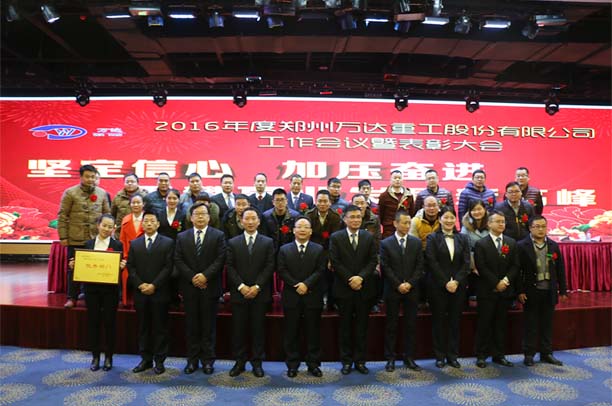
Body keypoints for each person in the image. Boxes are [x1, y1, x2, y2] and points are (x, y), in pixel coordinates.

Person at [67, 214, 126, 371]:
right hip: (91, 291)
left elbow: (118, 268)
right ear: (98, 225)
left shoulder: (117, 245)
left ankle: (109, 357)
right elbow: (82, 265)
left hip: (110, 291)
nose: (106, 229)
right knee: (93, 323)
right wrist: (75, 265)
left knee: (110, 323)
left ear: (114, 229)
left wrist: (122, 266)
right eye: (104, 225)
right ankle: (95, 357)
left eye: (110, 227)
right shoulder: (88, 244)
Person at [175, 202, 226, 375]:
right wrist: (193, 277)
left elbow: (220, 259)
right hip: (189, 288)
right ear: (191, 218)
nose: (200, 217)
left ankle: (208, 361)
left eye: (203, 214)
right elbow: (178, 259)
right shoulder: (182, 237)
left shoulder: (218, 235)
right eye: (197, 214)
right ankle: (192, 360)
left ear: (209, 217)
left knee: (208, 326)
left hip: (210, 288)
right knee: (191, 326)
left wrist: (205, 276)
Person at [226, 208, 275, 378]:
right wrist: (241, 286)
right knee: (238, 330)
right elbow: (230, 267)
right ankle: (239, 362)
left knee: (258, 330)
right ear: (241, 221)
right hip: (239, 293)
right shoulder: (233, 242)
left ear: (259, 221)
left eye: (254, 218)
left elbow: (270, 266)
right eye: (247, 218)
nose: (250, 222)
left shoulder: (267, 242)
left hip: (259, 294)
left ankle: (257, 363)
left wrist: (257, 286)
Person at [329, 205, 378, 375]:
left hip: (364, 288)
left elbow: (372, 261)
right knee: (345, 327)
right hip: (344, 288)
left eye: (358, 217)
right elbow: (335, 261)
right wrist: (350, 278)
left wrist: (360, 278)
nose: (356, 220)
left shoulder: (368, 237)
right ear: (345, 219)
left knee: (362, 327)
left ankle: (360, 361)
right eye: (352, 217)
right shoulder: (336, 237)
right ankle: (346, 361)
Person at [277, 217, 326, 378]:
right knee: (291, 332)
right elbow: (282, 270)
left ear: (311, 231)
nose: (302, 230)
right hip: (292, 296)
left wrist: (306, 284)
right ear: (294, 230)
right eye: (299, 227)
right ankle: (292, 364)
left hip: (312, 296)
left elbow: (320, 270)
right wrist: (296, 285)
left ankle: (313, 364)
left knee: (313, 332)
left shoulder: (318, 249)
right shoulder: (284, 249)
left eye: (306, 227)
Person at [127, 211, 174, 375]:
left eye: (152, 221)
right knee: (143, 327)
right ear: (142, 224)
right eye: (146, 221)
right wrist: (140, 284)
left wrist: (154, 285)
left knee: (160, 328)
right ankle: (145, 359)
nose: (148, 224)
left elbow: (168, 267)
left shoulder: (168, 243)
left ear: (158, 224)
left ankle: (159, 361)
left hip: (160, 292)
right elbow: (131, 267)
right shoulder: (135, 243)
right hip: (140, 292)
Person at [58, 164, 111, 308]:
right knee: (74, 268)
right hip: (76, 238)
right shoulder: (70, 193)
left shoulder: (102, 193)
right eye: (87, 177)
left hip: (96, 239)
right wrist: (63, 237)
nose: (90, 179)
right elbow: (62, 216)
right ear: (81, 177)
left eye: (93, 177)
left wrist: (108, 234)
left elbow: (107, 215)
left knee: (96, 268)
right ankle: (72, 298)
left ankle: (93, 297)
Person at [518, 216, 567, 367]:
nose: (541, 229)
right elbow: (518, 271)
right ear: (530, 228)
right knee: (530, 325)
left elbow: (560, 269)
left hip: (549, 291)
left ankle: (546, 353)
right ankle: (529, 354)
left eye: (543, 226)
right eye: (537, 226)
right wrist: (520, 291)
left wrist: (563, 290)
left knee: (547, 324)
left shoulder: (553, 245)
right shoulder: (522, 245)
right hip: (531, 291)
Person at [474, 211, 520, 369]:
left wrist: (505, 281)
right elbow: (481, 267)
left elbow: (515, 265)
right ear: (489, 224)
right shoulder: (481, 244)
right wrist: (496, 283)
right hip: (487, 291)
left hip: (505, 291)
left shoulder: (511, 242)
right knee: (484, 324)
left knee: (501, 325)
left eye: (503, 222)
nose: (501, 224)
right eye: (498, 221)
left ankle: (499, 355)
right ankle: (481, 355)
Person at [425, 207, 470, 369]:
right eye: (446, 217)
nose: (449, 220)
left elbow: (466, 263)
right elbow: (431, 262)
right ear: (440, 219)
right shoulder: (432, 238)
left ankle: (452, 355)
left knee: (454, 322)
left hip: (458, 287)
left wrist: (456, 281)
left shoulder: (463, 238)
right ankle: (440, 356)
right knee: (439, 321)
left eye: (452, 217)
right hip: (438, 286)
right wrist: (446, 282)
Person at [381, 210, 424, 372]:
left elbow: (420, 266)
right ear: (395, 223)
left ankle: (409, 357)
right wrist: (398, 284)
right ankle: (390, 358)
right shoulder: (386, 243)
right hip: (393, 289)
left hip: (412, 290)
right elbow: (385, 267)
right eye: (404, 222)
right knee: (391, 325)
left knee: (410, 325)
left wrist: (410, 283)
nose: (407, 226)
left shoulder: (416, 242)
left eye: (409, 223)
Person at [307, 190, 343, 311]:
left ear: (330, 202)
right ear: (316, 202)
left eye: (325, 201)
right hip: (312, 251)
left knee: (330, 275)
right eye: (320, 201)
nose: (322, 204)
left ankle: (331, 301)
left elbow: (335, 240)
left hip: (329, 251)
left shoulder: (335, 217)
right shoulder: (309, 215)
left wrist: (331, 259)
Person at [352, 193, 382, 312]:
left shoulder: (374, 219)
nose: (360, 206)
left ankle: (373, 302)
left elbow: (377, 242)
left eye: (362, 203)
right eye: (357, 203)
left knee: (374, 274)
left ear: (367, 204)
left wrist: (376, 262)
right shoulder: (347, 218)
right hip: (351, 255)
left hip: (370, 256)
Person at [460, 199, 490, 302]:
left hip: (488, 258)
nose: (477, 212)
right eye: (473, 210)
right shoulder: (466, 225)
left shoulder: (491, 222)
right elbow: (465, 248)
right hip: (472, 260)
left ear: (484, 209)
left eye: (479, 209)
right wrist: (473, 267)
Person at [119, 194, 145, 306]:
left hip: (145, 256)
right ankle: (126, 301)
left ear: (143, 204)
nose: (136, 205)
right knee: (126, 278)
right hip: (128, 256)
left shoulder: (148, 219)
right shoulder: (125, 220)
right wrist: (125, 257)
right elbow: (122, 241)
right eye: (133, 202)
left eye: (138, 202)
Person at [378, 170, 415, 238]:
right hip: (389, 230)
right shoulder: (384, 196)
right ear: (390, 180)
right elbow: (381, 214)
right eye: (395, 178)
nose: (397, 180)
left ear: (402, 180)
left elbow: (412, 213)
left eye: (399, 178)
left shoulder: (409, 196)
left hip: (404, 229)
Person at [111, 173, 148, 238]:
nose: (130, 184)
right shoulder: (118, 197)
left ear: (137, 183)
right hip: (121, 233)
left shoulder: (145, 196)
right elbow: (112, 214)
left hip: (141, 234)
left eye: (132, 182)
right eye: (127, 182)